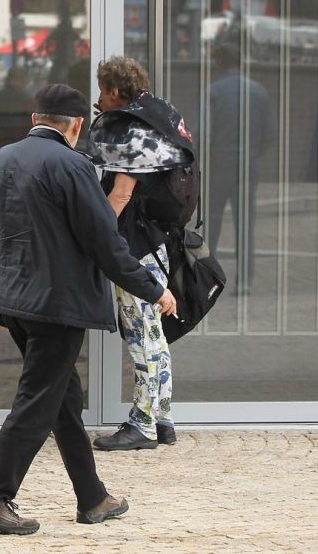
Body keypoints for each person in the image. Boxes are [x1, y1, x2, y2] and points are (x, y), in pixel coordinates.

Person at [0, 84, 177, 535]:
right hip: (57, 305)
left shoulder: (2, 159)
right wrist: (153, 288)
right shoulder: (74, 165)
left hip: (17, 301)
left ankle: (92, 497)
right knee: (38, 403)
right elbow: (107, 244)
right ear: (76, 125)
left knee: (63, 401)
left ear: (34, 117)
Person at [89, 56, 194, 451]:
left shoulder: (134, 132)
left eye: (102, 90)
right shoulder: (162, 116)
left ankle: (143, 424)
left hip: (134, 244)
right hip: (158, 240)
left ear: (116, 91)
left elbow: (121, 193)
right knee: (155, 334)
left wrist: (97, 236)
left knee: (142, 334)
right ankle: (162, 418)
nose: (99, 98)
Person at [206, 32, 275, 292]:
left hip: (219, 164)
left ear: (218, 64)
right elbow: (269, 134)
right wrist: (252, 154)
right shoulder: (258, 91)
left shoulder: (213, 92)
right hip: (247, 164)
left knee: (211, 222)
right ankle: (245, 280)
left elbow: (203, 133)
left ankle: (208, 279)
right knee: (245, 223)